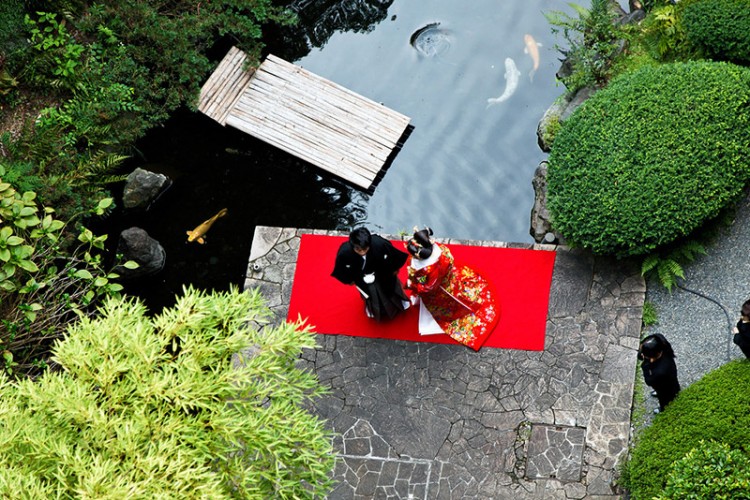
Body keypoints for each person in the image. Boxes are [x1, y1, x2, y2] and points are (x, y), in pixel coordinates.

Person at [404, 227, 499, 351]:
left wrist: (413, 284)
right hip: (449, 278)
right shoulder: (441, 250)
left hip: (440, 289)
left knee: (445, 304)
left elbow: (428, 288)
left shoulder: (427, 270)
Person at [331, 227, 410, 322]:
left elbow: (393, 254)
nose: (362, 252)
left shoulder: (379, 243)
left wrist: (394, 268)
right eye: (358, 250)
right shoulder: (344, 252)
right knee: (371, 296)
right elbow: (341, 268)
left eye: (365, 249)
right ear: (353, 246)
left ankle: (400, 304)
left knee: (391, 289)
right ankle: (374, 311)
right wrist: (350, 280)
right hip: (362, 278)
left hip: (383, 273)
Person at [639, 333, 681, 414]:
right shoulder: (662, 344)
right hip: (669, 377)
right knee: (673, 385)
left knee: (664, 397)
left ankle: (663, 408)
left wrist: (646, 367)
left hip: (664, 385)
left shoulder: (660, 371)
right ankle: (673, 392)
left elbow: (649, 381)